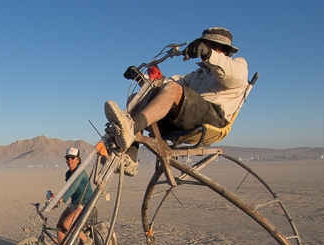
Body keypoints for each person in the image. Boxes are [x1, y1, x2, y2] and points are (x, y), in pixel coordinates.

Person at [105, 27, 249, 162]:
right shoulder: (197, 74)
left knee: (173, 89)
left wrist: (209, 54)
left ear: (219, 47)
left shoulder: (238, 65)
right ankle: (130, 156)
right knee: (140, 97)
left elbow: (233, 75)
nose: (202, 49)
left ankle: (130, 128)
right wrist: (140, 78)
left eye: (206, 45)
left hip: (214, 117)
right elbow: (166, 85)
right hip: (188, 118)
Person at [51, 147, 94, 245]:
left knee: (67, 224)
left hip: (84, 203)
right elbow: (67, 188)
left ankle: (86, 240)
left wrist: (60, 200)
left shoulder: (80, 172)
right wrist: (56, 198)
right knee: (59, 227)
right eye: (68, 158)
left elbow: (73, 188)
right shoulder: (68, 174)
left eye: (73, 158)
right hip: (74, 203)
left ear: (78, 160)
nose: (70, 160)